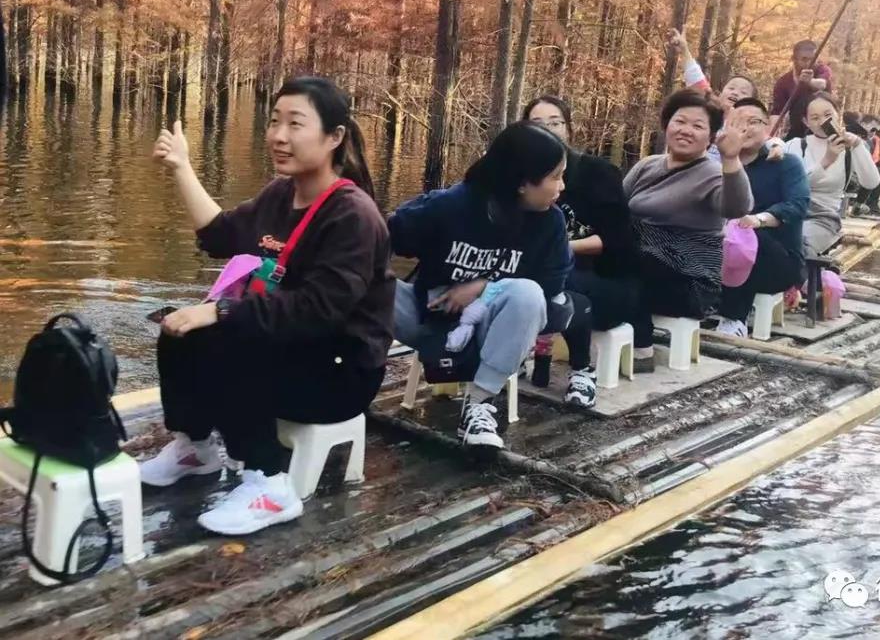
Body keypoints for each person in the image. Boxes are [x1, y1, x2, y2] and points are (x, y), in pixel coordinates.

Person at [141, 76, 395, 536]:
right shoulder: (280, 194)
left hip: (342, 371)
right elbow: (220, 236)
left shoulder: (352, 216)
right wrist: (181, 167)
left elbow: (318, 310)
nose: (278, 135)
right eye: (275, 121)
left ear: (334, 137)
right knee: (179, 331)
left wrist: (221, 311)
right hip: (292, 345)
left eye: (295, 124)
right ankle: (195, 450)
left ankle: (269, 483)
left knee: (228, 342)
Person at [389, 122, 573, 449]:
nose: (562, 186)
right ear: (522, 183)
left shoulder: (551, 224)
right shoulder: (452, 205)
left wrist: (482, 287)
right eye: (555, 177)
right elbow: (385, 235)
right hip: (427, 314)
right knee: (358, 285)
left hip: (491, 329)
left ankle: (478, 405)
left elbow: (550, 288)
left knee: (529, 295)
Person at [522, 95, 638, 408]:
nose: (547, 130)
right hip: (547, 283)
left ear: (569, 130)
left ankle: (582, 370)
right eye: (537, 124)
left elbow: (617, 240)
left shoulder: (598, 173)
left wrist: (558, 248)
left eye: (555, 123)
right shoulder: (521, 180)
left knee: (558, 274)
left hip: (607, 284)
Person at [624, 89, 752, 371]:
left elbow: (736, 207)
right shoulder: (647, 166)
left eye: (697, 126)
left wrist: (731, 160)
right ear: (667, 124)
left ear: (711, 136)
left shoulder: (712, 173)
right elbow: (617, 209)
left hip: (689, 279)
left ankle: (642, 348)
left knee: (629, 261)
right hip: (639, 262)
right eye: (680, 121)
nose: (686, 130)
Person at [713, 98, 809, 337]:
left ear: (767, 127)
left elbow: (797, 205)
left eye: (753, 121)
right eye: (737, 122)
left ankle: (733, 319)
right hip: (719, 251)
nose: (745, 128)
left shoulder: (786, 163)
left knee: (744, 236)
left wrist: (759, 220)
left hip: (777, 259)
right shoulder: (717, 164)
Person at [666, 29, 784, 162]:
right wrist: (684, 50)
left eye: (743, 92)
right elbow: (695, 77)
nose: (735, 92)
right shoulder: (708, 112)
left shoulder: (747, 126)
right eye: (731, 88)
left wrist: (776, 146)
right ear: (721, 93)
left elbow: (767, 139)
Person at [785, 92, 880, 256]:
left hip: (823, 217)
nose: (823, 122)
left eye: (828, 115)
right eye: (815, 118)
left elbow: (871, 182)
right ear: (806, 121)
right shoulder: (796, 146)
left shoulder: (849, 148)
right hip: (789, 211)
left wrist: (858, 145)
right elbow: (794, 186)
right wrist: (827, 160)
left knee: (798, 244)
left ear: (838, 114)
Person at [771, 40, 832, 139]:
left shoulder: (822, 70)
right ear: (793, 59)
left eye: (813, 59)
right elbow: (777, 113)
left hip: (825, 128)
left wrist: (809, 81)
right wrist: (771, 135)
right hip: (798, 131)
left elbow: (822, 84)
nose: (809, 63)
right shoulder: (783, 82)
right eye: (804, 59)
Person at [853, 116, 880, 215]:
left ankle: (871, 203)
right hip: (855, 176)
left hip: (861, 175)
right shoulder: (875, 140)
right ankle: (867, 203)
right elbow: (873, 162)